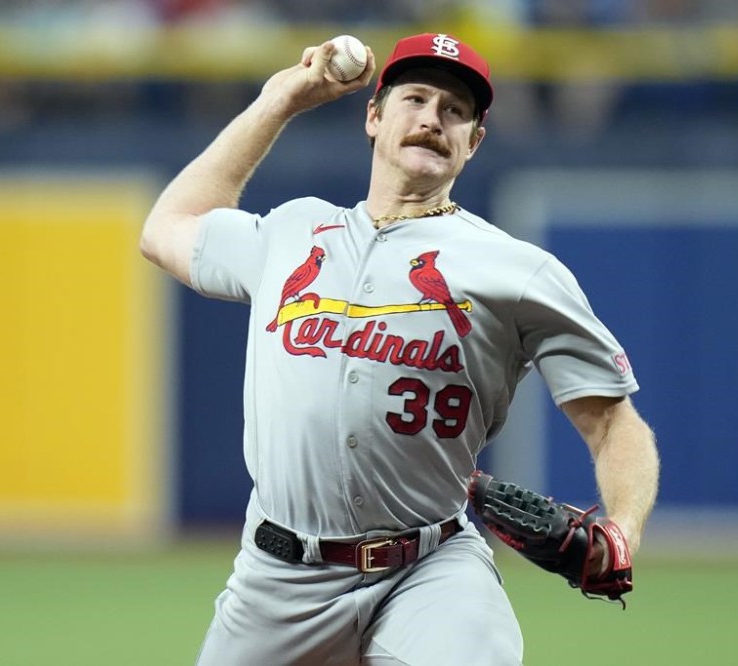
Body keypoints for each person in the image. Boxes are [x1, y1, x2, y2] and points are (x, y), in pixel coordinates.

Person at [140, 31, 660, 666]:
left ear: (474, 142)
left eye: (455, 110)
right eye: (415, 98)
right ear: (374, 115)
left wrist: (623, 530)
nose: (432, 119)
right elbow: (166, 228)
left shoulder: (518, 270)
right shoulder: (292, 231)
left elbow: (613, 422)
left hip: (430, 568)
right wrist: (279, 99)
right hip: (279, 578)